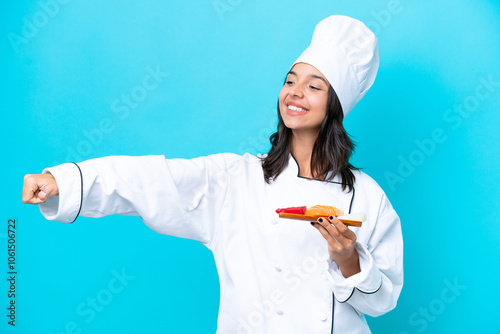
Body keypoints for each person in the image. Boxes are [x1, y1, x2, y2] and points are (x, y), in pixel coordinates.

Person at [22, 15, 403, 334]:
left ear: (335, 104)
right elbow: (152, 179)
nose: (295, 92)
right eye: (290, 80)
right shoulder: (236, 180)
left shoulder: (367, 198)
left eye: (313, 85)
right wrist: (66, 181)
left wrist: (348, 257)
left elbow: (381, 302)